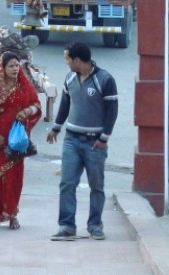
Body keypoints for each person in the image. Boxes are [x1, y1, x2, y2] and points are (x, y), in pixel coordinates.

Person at [46, 41, 118, 241]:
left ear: (77, 60)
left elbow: (112, 111)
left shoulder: (104, 80)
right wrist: (56, 127)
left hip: (95, 143)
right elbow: (65, 104)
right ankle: (67, 226)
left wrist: (104, 139)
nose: (66, 63)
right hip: (72, 140)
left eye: (67, 59)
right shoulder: (70, 78)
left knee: (96, 186)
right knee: (67, 183)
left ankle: (95, 225)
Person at [0, 51, 42, 230]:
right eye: (11, 66)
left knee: (15, 177)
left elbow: (36, 106)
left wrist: (25, 112)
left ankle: (12, 214)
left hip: (17, 140)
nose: (15, 69)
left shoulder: (24, 86)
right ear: (3, 68)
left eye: (17, 65)